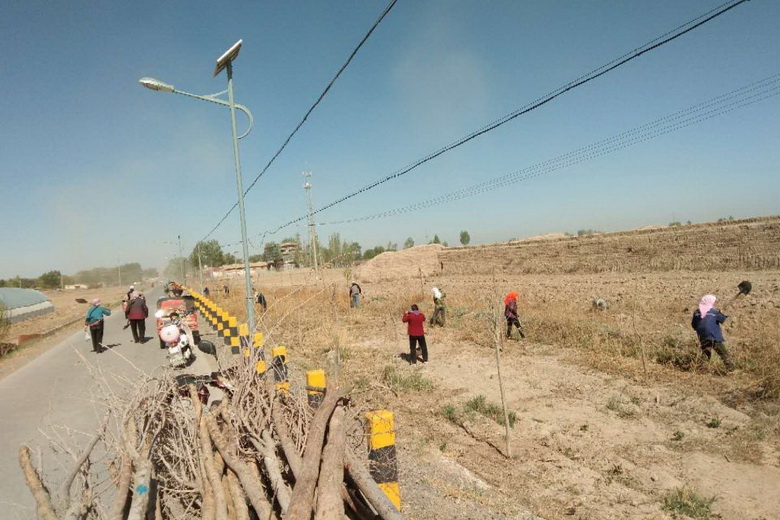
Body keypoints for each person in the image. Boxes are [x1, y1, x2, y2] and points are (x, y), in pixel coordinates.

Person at [691, 294, 734, 371]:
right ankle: (731, 369)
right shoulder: (714, 312)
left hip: (702, 336)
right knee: (723, 353)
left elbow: (694, 325)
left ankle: (701, 369)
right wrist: (721, 313)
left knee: (706, 352)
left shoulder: (696, 312)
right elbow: (722, 319)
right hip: (714, 336)